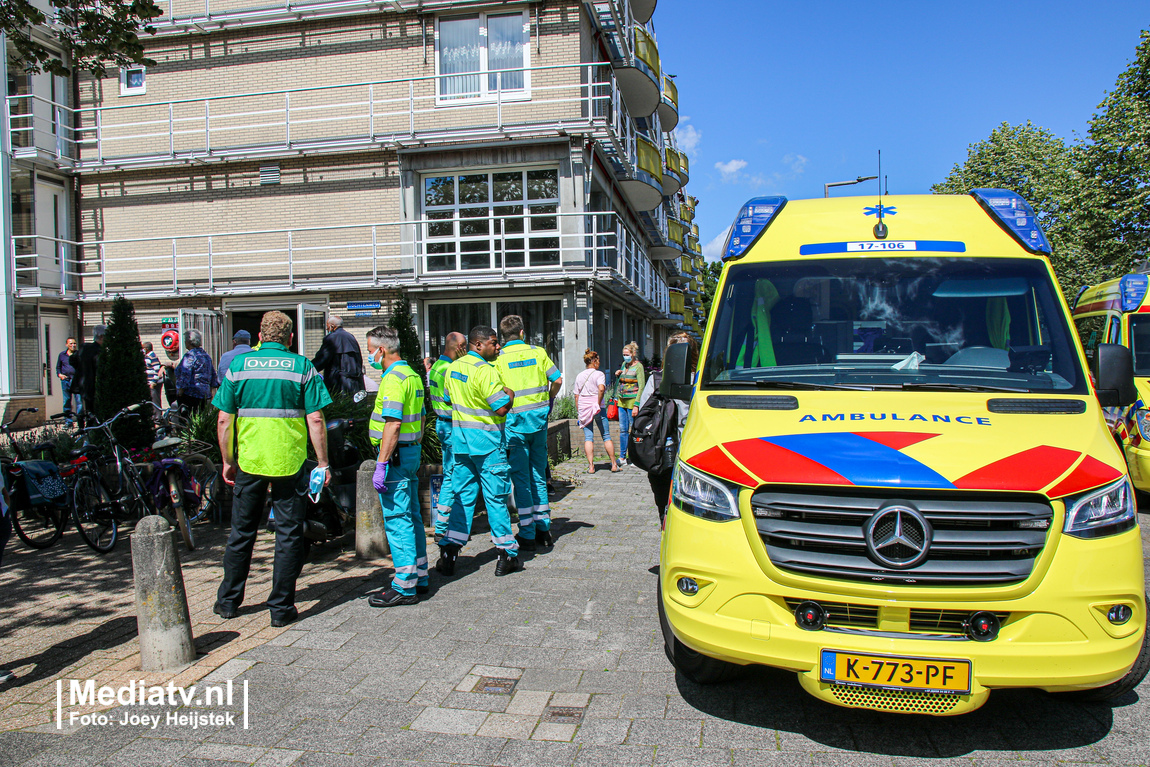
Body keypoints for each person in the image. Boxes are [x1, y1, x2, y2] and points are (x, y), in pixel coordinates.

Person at [213, 311, 332, 628]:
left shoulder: (238, 367)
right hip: (288, 462)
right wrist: (322, 462)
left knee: (241, 533)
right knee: (289, 535)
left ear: (260, 336)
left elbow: (224, 420)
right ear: (290, 338)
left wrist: (227, 460)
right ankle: (280, 608)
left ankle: (228, 603)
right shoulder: (302, 367)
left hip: (250, 462)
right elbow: (316, 419)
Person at [436, 325, 519, 577]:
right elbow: (501, 408)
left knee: (462, 498)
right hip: (488, 444)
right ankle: (506, 554)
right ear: (478, 345)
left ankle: (450, 552)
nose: (498, 347)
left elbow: (450, 399)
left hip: (461, 444)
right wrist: (511, 394)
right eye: (494, 343)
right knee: (495, 499)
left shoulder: (453, 368)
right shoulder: (485, 371)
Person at [366, 327, 427, 607]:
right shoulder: (412, 374)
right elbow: (423, 417)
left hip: (394, 457)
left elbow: (392, 423)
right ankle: (420, 575)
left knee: (397, 519)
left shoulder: (392, 379)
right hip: (410, 453)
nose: (369, 356)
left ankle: (404, 586)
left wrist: (382, 463)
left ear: (382, 350)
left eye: (370, 350)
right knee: (412, 516)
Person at [495, 315, 562, 551]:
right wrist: (549, 399)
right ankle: (544, 529)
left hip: (514, 426)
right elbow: (557, 380)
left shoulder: (498, 359)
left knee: (521, 479)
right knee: (538, 475)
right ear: (522, 332)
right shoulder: (538, 352)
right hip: (539, 421)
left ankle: (527, 532)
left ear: (503, 337)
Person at [638, 332, 698, 523]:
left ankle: (666, 522)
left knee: (664, 500)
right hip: (693, 449)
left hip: (663, 450)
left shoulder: (657, 379)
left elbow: (643, 413)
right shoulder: (701, 380)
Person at [428, 332, 467, 541]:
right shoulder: (450, 369)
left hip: (442, 425)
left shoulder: (436, 366)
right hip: (452, 426)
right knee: (453, 475)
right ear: (459, 347)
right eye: (465, 347)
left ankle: (444, 523)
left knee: (451, 473)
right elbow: (456, 397)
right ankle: (443, 526)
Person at [574, 349, 618, 474]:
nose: (599, 363)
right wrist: (598, 403)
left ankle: (591, 467)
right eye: (598, 361)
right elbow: (601, 389)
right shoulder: (599, 374)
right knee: (606, 435)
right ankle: (614, 464)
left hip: (584, 408)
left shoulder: (579, 376)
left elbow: (576, 395)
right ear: (593, 361)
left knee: (589, 437)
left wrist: (579, 411)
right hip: (598, 408)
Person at [311, 315, 365, 395]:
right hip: (355, 383)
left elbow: (322, 359)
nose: (326, 329)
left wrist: (309, 368)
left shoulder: (331, 338)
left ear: (332, 326)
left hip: (339, 384)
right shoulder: (351, 337)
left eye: (327, 326)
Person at [615, 342, 646, 467]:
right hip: (622, 401)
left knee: (634, 430)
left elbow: (642, 386)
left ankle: (635, 457)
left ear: (633, 354)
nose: (625, 357)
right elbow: (622, 382)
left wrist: (637, 404)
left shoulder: (638, 367)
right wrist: (618, 374)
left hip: (632, 402)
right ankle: (622, 456)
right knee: (623, 430)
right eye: (623, 354)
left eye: (627, 354)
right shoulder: (624, 365)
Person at [175, 329, 219, 413]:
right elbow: (213, 374)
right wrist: (211, 390)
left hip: (191, 394)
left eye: (185, 340)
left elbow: (185, 374)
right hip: (204, 394)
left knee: (187, 419)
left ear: (189, 342)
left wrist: (181, 390)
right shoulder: (205, 355)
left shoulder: (190, 356)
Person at [69, 326, 104, 426]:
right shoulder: (99, 351)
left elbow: (72, 359)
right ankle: (90, 430)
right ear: (101, 337)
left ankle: (83, 428)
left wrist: (81, 370)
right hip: (93, 385)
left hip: (83, 385)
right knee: (93, 413)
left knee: (86, 409)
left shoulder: (85, 348)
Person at [57, 337, 78, 427]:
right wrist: (60, 375)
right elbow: (58, 367)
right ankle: (68, 422)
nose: (73, 345)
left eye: (74, 343)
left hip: (76, 381)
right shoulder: (62, 355)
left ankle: (81, 421)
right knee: (67, 401)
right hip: (66, 380)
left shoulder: (78, 354)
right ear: (67, 345)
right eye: (71, 344)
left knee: (79, 401)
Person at [143, 342, 164, 413]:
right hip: (149, 382)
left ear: (146, 349)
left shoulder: (152, 356)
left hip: (154, 383)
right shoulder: (147, 356)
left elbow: (157, 370)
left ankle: (158, 419)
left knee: (155, 401)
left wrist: (153, 382)